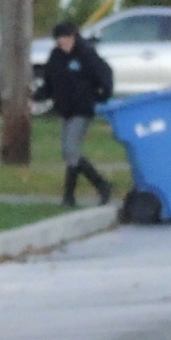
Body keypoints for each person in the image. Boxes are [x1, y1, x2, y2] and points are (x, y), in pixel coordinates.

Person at [39, 20, 114, 207]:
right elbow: (49, 84)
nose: (62, 42)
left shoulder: (86, 54)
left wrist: (102, 96)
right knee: (67, 152)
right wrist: (35, 97)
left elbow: (104, 75)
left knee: (71, 149)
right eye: (59, 39)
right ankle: (74, 195)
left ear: (73, 37)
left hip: (82, 108)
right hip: (66, 109)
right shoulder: (55, 57)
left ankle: (97, 186)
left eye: (65, 38)